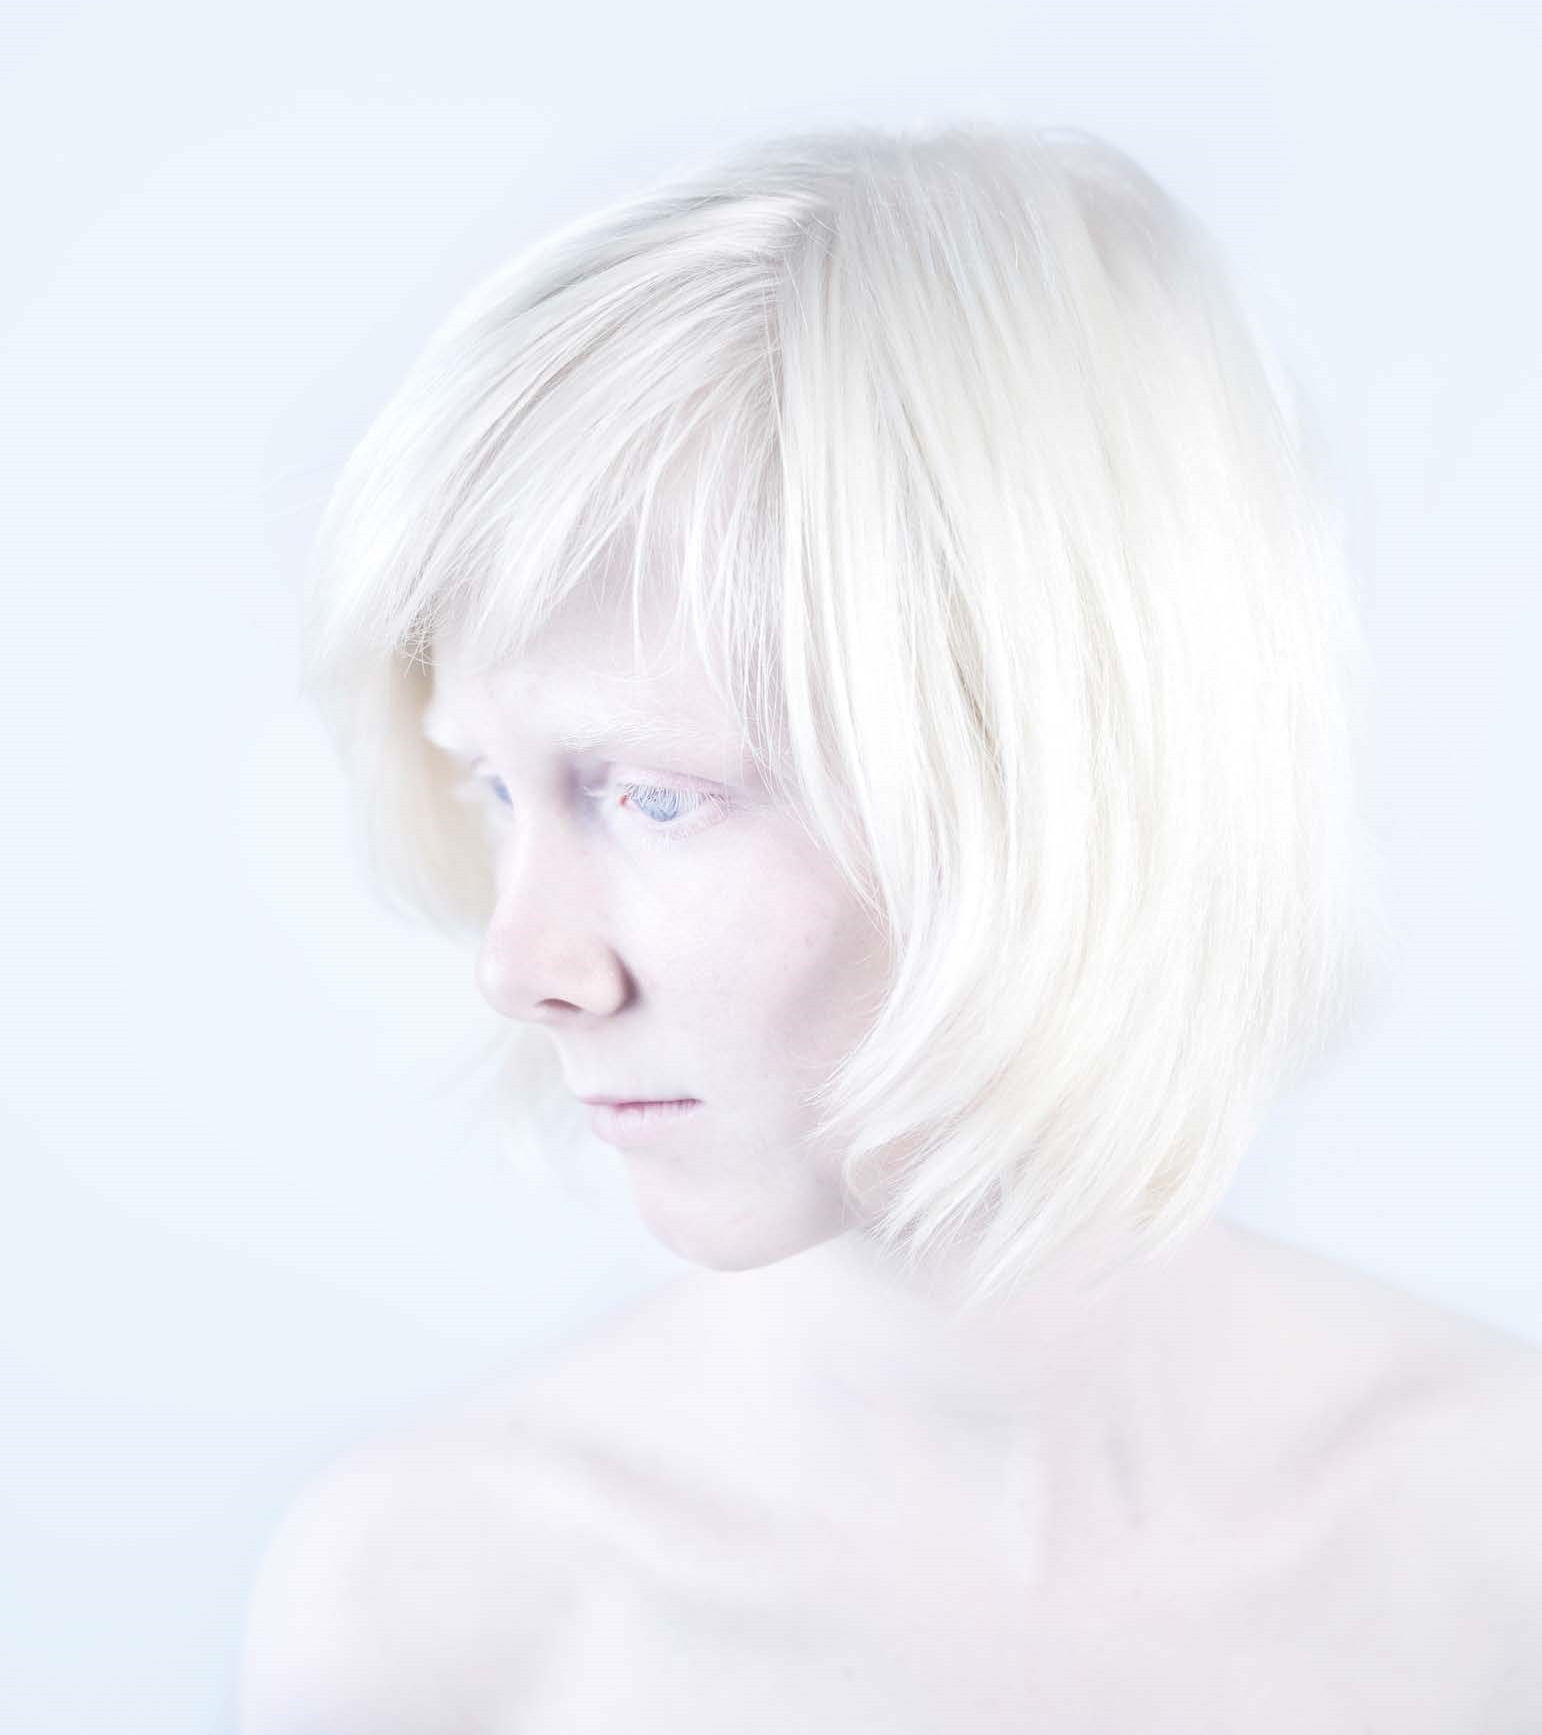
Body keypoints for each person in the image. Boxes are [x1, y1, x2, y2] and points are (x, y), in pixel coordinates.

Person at [239, 122, 1542, 1733]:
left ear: (1061, 779)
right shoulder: (441, 1606)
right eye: (493, 789)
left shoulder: (1498, 1560)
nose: (522, 966)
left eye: (653, 796)